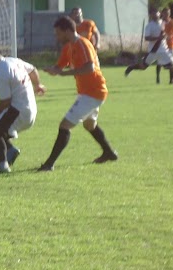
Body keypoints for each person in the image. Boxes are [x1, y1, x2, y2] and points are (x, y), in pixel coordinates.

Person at [39, 16, 117, 172]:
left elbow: (89, 68)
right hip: (87, 92)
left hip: (93, 92)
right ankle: (109, 153)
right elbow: (60, 66)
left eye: (58, 33)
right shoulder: (69, 47)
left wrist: (64, 74)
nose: (57, 37)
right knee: (90, 125)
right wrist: (53, 69)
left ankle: (49, 164)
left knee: (65, 125)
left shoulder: (82, 44)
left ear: (68, 31)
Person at [0, 45, 45, 174]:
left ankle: (3, 166)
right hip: (30, 109)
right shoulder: (14, 61)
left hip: (18, 111)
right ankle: (11, 151)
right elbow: (32, 70)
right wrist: (38, 85)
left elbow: (5, 101)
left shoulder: (1, 72)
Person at [125, 8, 173, 89]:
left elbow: (168, 32)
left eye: (157, 13)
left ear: (159, 14)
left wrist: (167, 36)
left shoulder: (163, 23)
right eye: (153, 14)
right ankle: (131, 67)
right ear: (151, 16)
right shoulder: (149, 26)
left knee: (171, 65)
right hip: (153, 50)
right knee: (143, 67)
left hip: (163, 50)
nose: (156, 15)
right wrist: (158, 38)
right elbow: (147, 38)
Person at [156, 7, 173, 85]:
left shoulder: (172, 22)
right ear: (162, 13)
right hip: (162, 46)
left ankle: (171, 79)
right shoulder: (160, 22)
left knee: (171, 63)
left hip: (171, 44)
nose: (167, 14)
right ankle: (157, 77)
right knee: (159, 62)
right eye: (165, 13)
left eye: (168, 13)